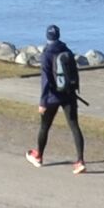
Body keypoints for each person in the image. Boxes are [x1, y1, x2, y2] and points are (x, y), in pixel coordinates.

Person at [29, 23, 85, 172]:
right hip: (69, 95)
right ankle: (80, 161)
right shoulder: (67, 51)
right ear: (59, 36)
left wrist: (43, 102)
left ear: (47, 36)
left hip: (52, 97)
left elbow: (45, 80)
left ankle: (39, 156)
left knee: (45, 127)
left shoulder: (46, 54)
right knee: (74, 126)